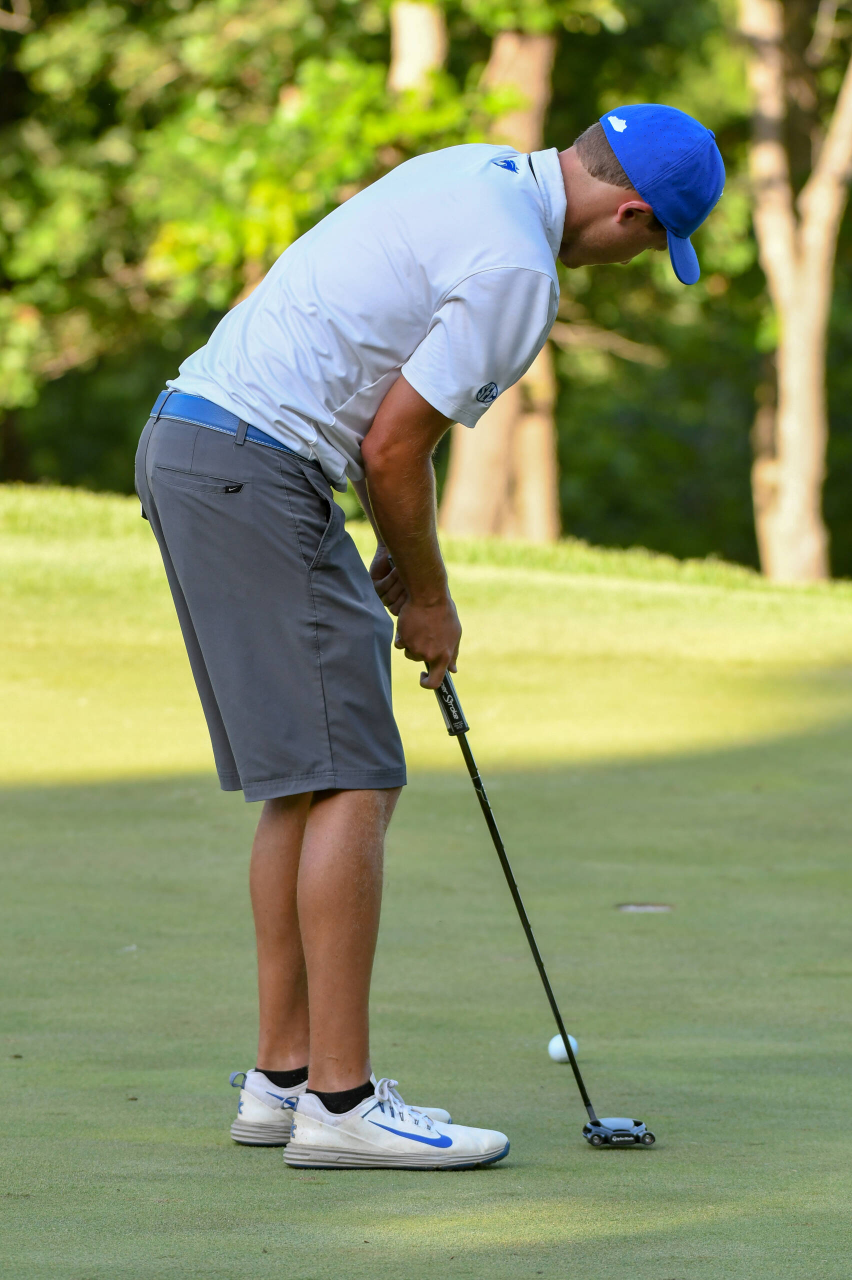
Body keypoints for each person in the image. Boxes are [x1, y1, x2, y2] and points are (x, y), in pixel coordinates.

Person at [135, 104, 724, 1170]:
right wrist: (433, 600)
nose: (630, 260)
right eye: (648, 244)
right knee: (358, 773)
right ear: (631, 211)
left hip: (202, 444)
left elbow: (401, 430)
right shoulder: (523, 273)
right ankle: (342, 1102)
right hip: (255, 468)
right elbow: (394, 447)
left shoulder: (476, 170)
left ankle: (282, 1079)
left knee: (308, 779)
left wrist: (406, 561)